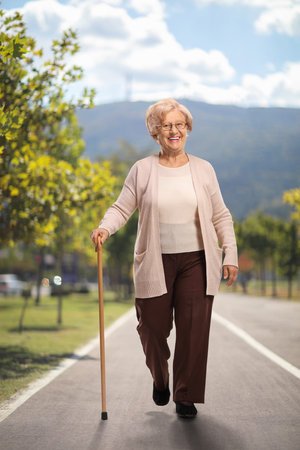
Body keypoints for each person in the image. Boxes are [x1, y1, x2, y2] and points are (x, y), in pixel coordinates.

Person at [91, 98, 238, 419]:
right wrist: (104, 228)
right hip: (154, 260)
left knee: (193, 330)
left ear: (188, 129)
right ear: (155, 132)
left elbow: (221, 215)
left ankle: (185, 395)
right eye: (167, 125)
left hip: (197, 261)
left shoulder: (203, 169)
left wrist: (231, 253)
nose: (175, 131)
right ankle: (161, 376)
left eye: (180, 125)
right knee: (152, 328)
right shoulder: (142, 170)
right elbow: (121, 207)